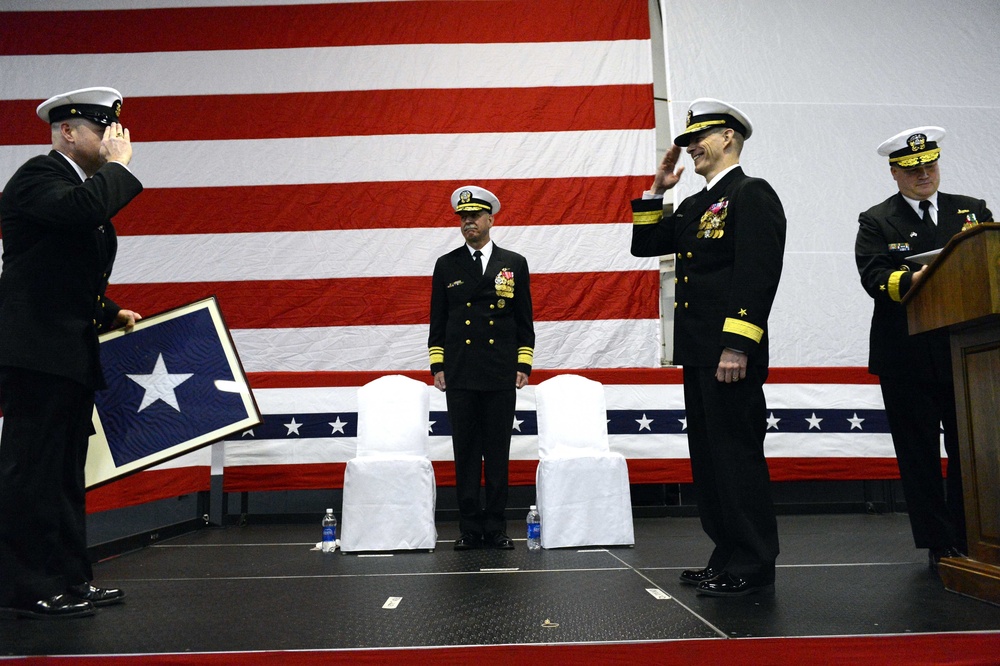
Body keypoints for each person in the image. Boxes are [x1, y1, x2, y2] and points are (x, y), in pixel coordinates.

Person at [630, 99, 786, 596]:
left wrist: (737, 346)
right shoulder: (699, 203)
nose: (691, 146)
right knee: (710, 458)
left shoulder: (751, 193)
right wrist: (656, 192)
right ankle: (726, 552)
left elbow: (757, 275)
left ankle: (755, 559)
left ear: (729, 138)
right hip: (698, 353)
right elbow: (646, 244)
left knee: (737, 455)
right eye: (687, 139)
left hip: (729, 353)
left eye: (701, 137)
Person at [0, 87, 143, 619]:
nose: (111, 138)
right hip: (36, 352)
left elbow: (58, 268)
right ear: (67, 132)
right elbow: (79, 214)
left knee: (62, 475)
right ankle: (24, 587)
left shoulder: (75, 187)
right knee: (30, 473)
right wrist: (120, 167)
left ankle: (68, 579)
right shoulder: (39, 176)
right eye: (101, 128)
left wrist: (108, 312)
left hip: (65, 351)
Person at [855, 126, 991, 570]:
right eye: (912, 168)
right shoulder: (876, 219)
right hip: (906, 355)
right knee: (918, 454)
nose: (923, 174)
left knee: (970, 449)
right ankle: (939, 541)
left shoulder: (972, 211)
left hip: (966, 354)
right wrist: (917, 279)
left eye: (929, 164)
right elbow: (874, 278)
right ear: (895, 172)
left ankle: (976, 535)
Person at [429, 186, 535, 551]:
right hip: (460, 373)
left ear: (491, 219)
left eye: (474, 216)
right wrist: (437, 365)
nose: (468, 221)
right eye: (463, 217)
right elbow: (437, 322)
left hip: (500, 371)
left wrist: (524, 364)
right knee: (467, 453)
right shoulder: (447, 265)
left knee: (497, 453)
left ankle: (496, 527)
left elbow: (525, 321)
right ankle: (470, 528)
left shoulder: (513, 263)